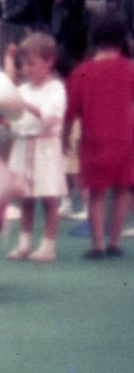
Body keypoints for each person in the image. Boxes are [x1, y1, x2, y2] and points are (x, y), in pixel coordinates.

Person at [65, 14, 134, 258]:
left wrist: (64, 138)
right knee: (122, 190)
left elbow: (70, 110)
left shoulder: (83, 71)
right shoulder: (130, 69)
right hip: (125, 138)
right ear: (122, 38)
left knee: (96, 193)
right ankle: (114, 243)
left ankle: (97, 245)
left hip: (94, 139)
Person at [2, 33, 67, 262]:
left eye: (31, 63)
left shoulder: (56, 88)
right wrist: (8, 117)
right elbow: (14, 117)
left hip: (46, 148)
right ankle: (24, 243)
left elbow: (50, 116)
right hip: (23, 146)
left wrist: (25, 106)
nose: (26, 69)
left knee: (49, 199)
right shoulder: (23, 89)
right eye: (23, 64)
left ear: (49, 61)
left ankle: (48, 246)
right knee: (25, 198)